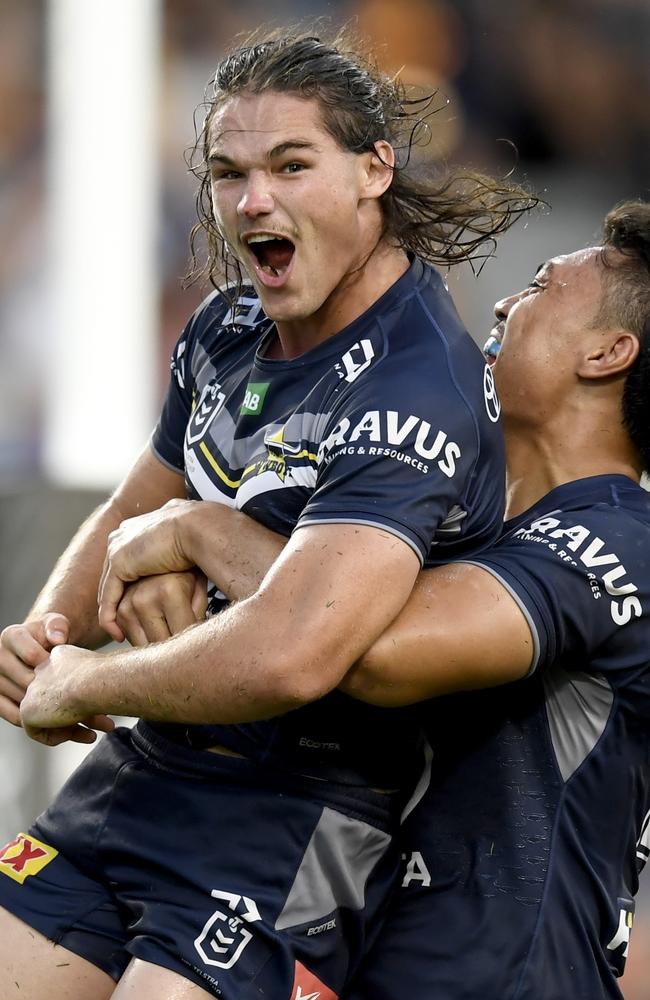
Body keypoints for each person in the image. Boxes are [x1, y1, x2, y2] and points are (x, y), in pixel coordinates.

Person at [0, 29, 533, 1000]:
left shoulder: (414, 383)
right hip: (144, 766)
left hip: (293, 814)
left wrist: (88, 676)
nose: (253, 201)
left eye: (291, 165)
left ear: (373, 171)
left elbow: (295, 649)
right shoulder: (228, 325)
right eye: (226, 171)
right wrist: (41, 639)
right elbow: (138, 498)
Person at [82, 199, 650, 999]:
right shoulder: (458, 524)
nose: (503, 302)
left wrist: (205, 533)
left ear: (607, 352)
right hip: (367, 957)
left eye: (540, 286)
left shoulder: (625, 541)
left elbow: (363, 647)